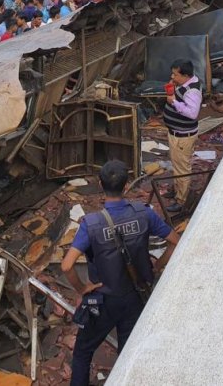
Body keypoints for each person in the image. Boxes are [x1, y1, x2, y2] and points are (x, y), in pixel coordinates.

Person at [61, 160, 180, 386]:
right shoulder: (144, 213)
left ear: (100, 184)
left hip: (104, 300)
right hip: (137, 295)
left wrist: (83, 288)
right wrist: (157, 266)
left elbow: (67, 266)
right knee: (128, 354)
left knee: (83, 352)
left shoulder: (91, 224)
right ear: (126, 186)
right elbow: (175, 241)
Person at [162, 59, 203, 214]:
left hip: (182, 136)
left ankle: (181, 200)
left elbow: (192, 113)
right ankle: (177, 190)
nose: (172, 77)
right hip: (176, 133)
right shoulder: (186, 83)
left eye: (175, 74)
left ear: (186, 75)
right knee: (178, 164)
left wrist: (173, 102)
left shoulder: (192, 91)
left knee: (182, 169)